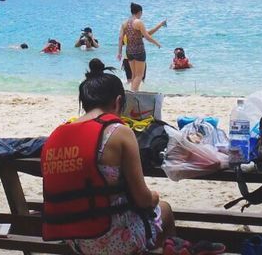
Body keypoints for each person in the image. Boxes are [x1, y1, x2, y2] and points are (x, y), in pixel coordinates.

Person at [40, 59, 174, 254]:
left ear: (84, 103)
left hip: (75, 239)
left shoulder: (57, 135)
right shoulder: (118, 131)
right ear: (118, 101)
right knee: (166, 209)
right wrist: (154, 197)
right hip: (111, 238)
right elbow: (143, 199)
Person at [117, 2, 164, 92]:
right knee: (140, 75)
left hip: (129, 51)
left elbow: (120, 38)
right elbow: (146, 36)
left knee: (134, 75)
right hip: (139, 51)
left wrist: (119, 52)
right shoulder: (138, 22)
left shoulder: (125, 23)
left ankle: (134, 93)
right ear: (139, 12)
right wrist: (156, 43)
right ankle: (133, 93)